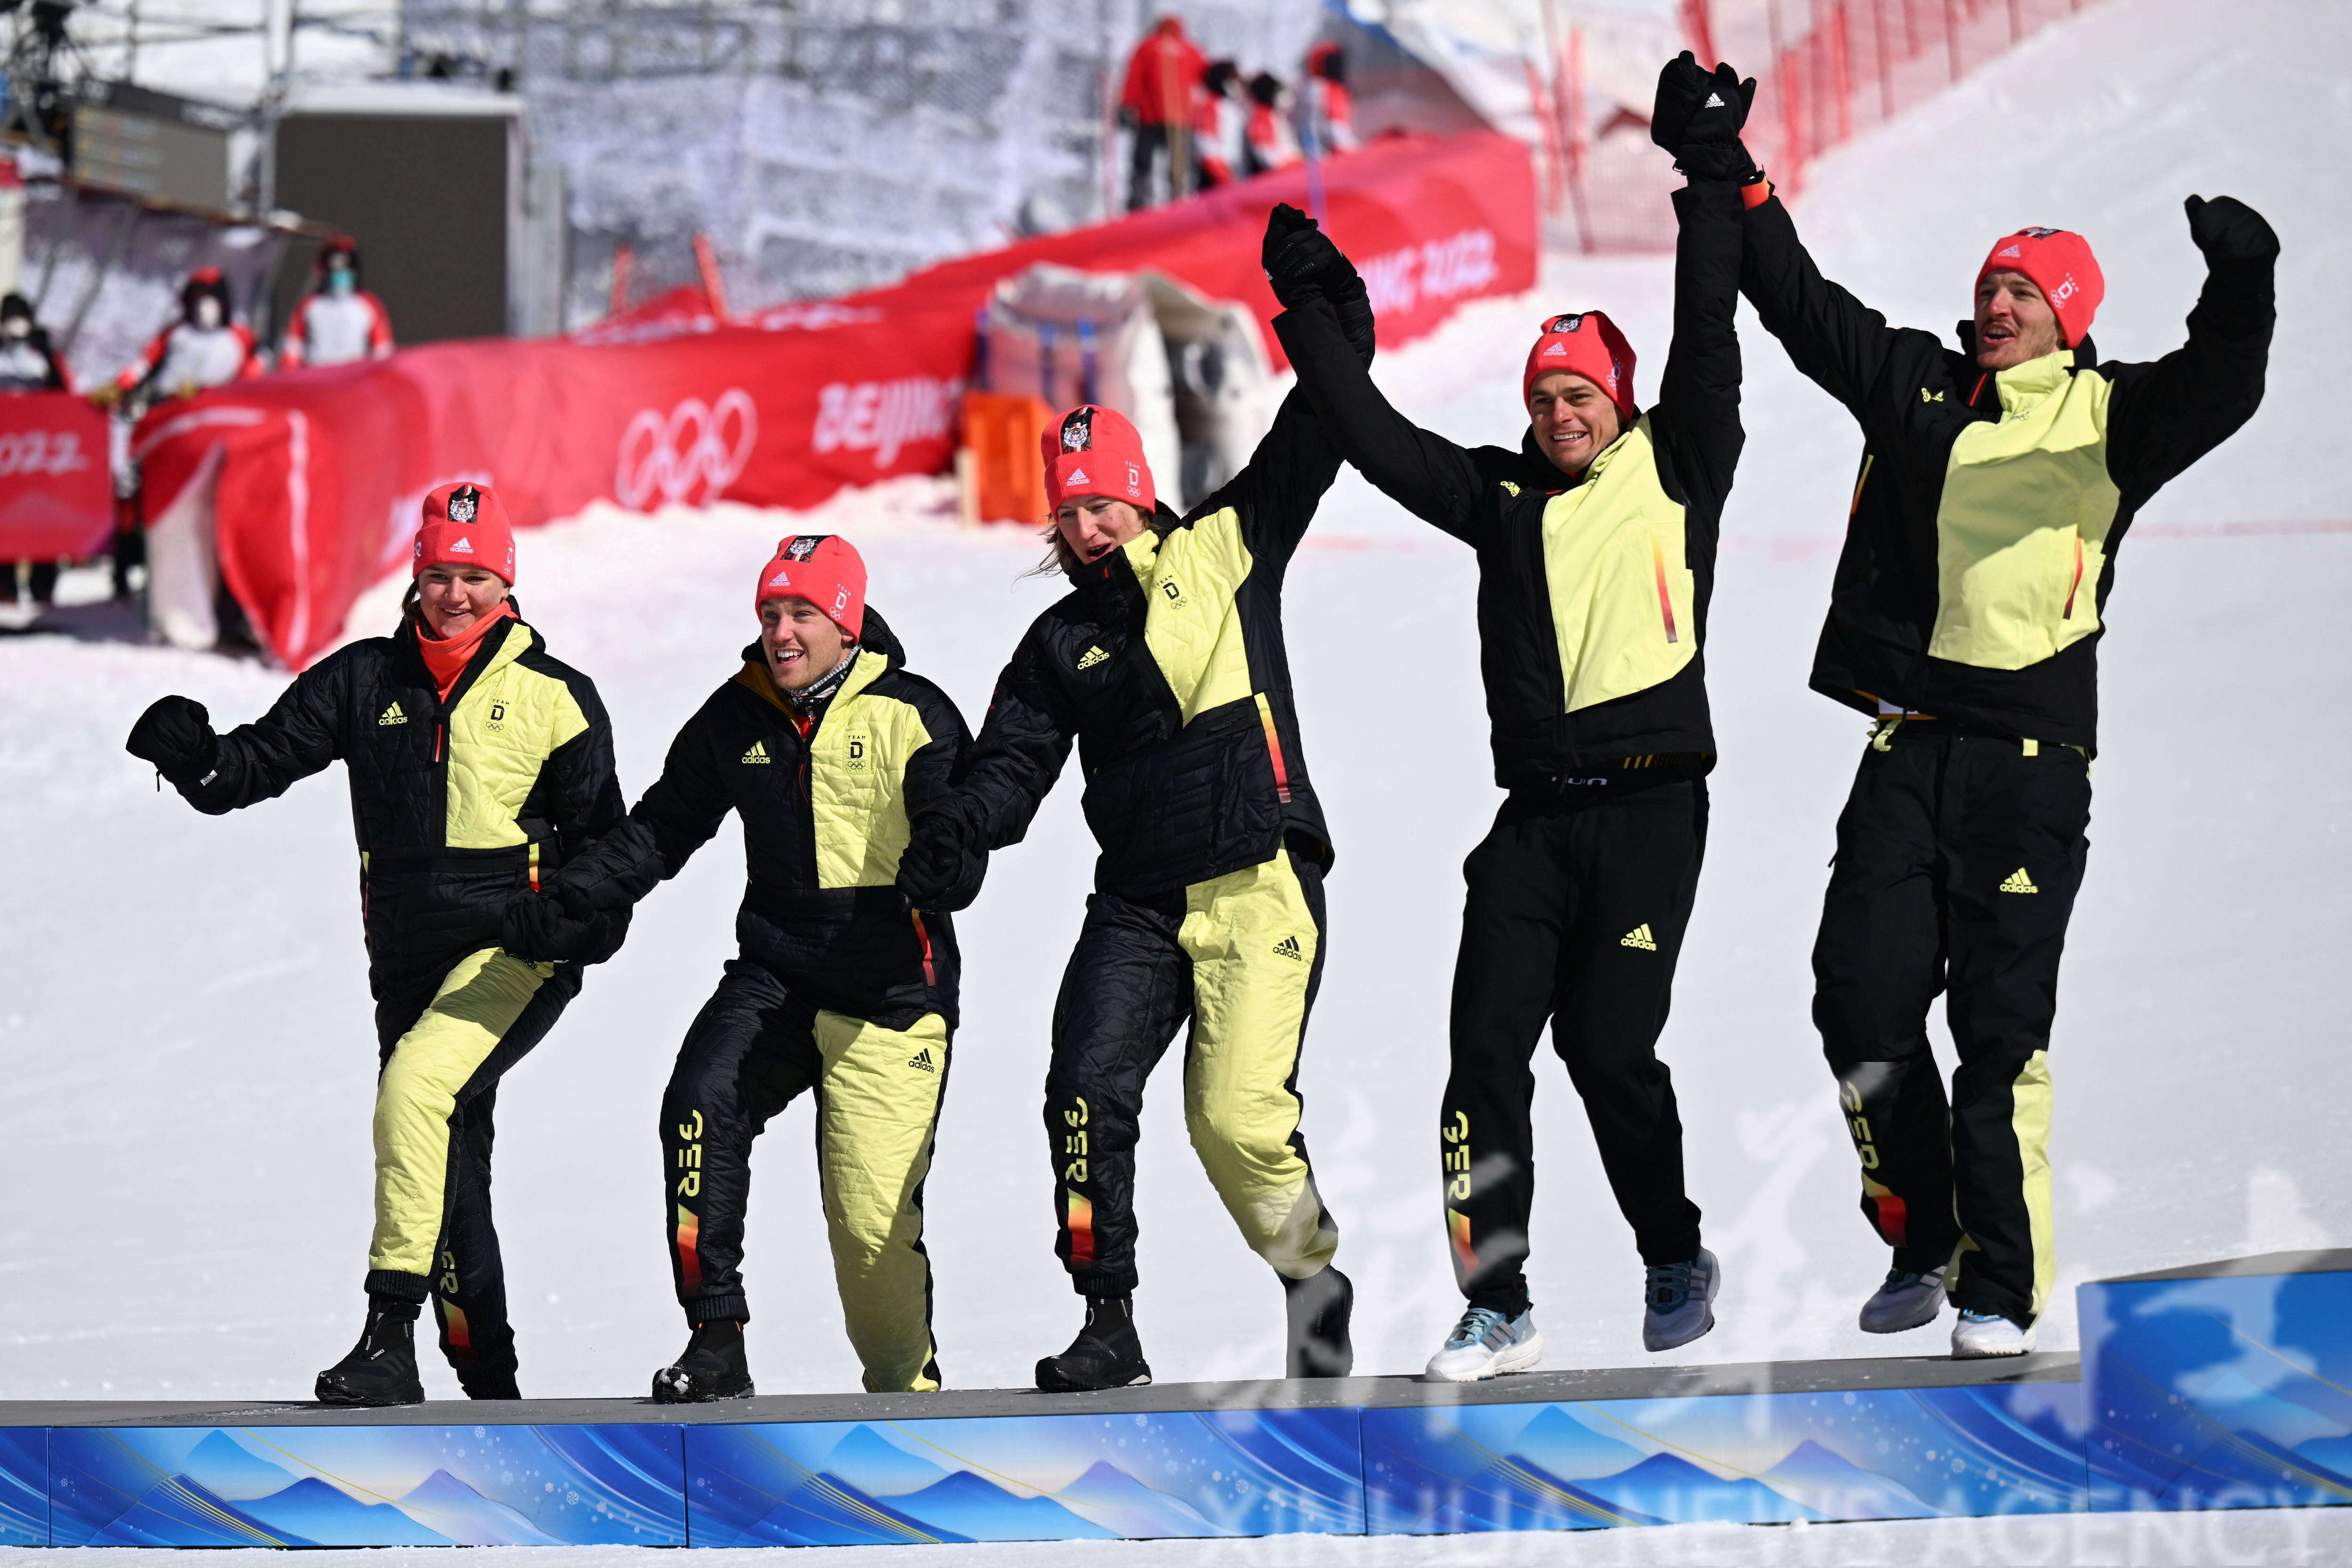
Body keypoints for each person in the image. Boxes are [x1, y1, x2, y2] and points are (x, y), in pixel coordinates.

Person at [1728, 100, 2276, 1360]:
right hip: (1910, 744)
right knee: (1857, 1000)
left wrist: (2240, 282)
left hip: (2030, 762)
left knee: (1996, 1030)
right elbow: (1805, 308)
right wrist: (1737, 182)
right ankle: (1925, 1225)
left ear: (2071, 312)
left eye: (2024, 290)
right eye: (1990, 286)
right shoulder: (1924, 389)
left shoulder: (2109, 419)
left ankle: (1998, 1284)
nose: (1998, 304)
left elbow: (2225, 383)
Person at [1271, 55, 1761, 1378]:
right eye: (1543, 398)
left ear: (1621, 400)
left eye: (1578, 395)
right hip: (1537, 824)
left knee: (1610, 1042)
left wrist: (1708, 174)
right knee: (1484, 1051)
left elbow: (1708, 322)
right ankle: (1500, 1295)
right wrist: (1312, 310)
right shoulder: (1500, 503)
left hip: (1656, 805)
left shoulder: (1678, 465)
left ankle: (1671, 1243)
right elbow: (1370, 431)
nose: (1556, 414)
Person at [895, 229, 1375, 1390]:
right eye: (1069, 513)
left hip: (1257, 879)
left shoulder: (1225, 547)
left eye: (1102, 504)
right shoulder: (1057, 643)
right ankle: (1107, 1319)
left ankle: (1312, 1277)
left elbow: (1333, 405)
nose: (1086, 527)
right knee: (1083, 1086)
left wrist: (1317, 293)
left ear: (1138, 492)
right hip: (1139, 904)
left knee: (1234, 1119)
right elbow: (1008, 772)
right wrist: (949, 835)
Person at [122, 483, 628, 1404]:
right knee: (446, 1167)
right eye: (440, 574)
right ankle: (494, 1399)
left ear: (505, 581)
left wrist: (573, 921)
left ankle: (387, 1334)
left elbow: (609, 852)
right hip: (404, 962)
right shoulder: (364, 680)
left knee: (416, 1090)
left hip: (513, 950)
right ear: (417, 577)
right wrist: (194, 759)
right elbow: (254, 764)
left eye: (474, 575)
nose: (456, 595)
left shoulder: (555, 697)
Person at [500, 535, 975, 1401]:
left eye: (803, 614)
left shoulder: (914, 711)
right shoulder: (738, 712)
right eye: (770, 614)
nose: (783, 634)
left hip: (892, 991)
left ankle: (909, 1400)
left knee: (870, 1233)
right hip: (779, 975)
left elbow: (956, 817)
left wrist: (952, 857)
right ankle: (716, 1338)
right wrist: (574, 895)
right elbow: (660, 827)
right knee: (699, 1101)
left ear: (848, 621)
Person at [0, 292, 72, 610]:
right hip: (5, 455)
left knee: (42, 520)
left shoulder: (45, 357)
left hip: (39, 453)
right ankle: (5, 586)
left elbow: (67, 395)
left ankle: (43, 586)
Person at [109, 267, 262, 403]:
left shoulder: (242, 337)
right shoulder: (176, 332)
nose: (204, 304)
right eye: (198, 297)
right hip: (166, 408)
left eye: (210, 295)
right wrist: (119, 386)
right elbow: (143, 364)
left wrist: (204, 393)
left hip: (213, 414)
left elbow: (251, 381)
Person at [1119, 15, 1206, 210]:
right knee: (1178, 169)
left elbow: (1133, 78)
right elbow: (1206, 78)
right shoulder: (1191, 49)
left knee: (1143, 166)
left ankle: (1138, 207)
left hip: (1150, 117)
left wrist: (1126, 105)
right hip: (1178, 118)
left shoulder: (1147, 46)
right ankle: (1178, 208)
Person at [282, 237, 395, 369]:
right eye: (335, 267)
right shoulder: (309, 305)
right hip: (315, 377)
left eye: (345, 266)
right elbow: (293, 349)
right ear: (325, 270)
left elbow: (383, 351)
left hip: (351, 379)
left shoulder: (369, 304)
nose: (340, 272)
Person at [1194, 61, 1246, 190]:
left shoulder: (1230, 106)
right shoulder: (1211, 104)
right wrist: (1222, 176)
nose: (1236, 84)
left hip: (1232, 173)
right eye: (1232, 79)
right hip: (1215, 178)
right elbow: (1206, 144)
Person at [1302, 41, 1359, 156]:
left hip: (1342, 154)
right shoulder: (1318, 89)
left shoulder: (1339, 90)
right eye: (1334, 62)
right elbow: (1322, 129)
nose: (1339, 67)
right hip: (1328, 158)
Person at [1243, 72, 1301, 176]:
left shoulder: (1272, 114)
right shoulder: (1261, 117)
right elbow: (1267, 157)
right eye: (1277, 90)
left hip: (1292, 172)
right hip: (1282, 177)